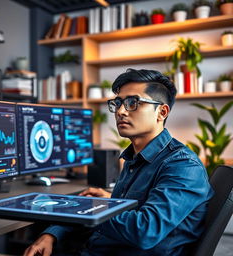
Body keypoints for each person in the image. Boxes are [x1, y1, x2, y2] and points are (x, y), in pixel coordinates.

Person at [24, 69, 214, 256]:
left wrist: (92, 206)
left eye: (133, 103)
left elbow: (145, 231)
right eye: (118, 103)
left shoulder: (183, 166)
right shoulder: (134, 158)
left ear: (161, 112)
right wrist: (52, 234)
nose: (121, 111)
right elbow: (126, 211)